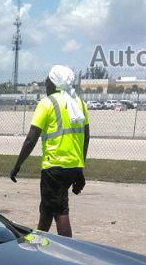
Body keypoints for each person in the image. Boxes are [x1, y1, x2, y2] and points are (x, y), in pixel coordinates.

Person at [9, 65, 90, 237]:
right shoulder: (80, 104)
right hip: (73, 167)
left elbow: (31, 138)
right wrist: (79, 168)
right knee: (47, 207)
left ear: (53, 83)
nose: (45, 83)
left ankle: (70, 251)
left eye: (47, 80)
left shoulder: (47, 104)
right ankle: (38, 242)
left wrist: (17, 165)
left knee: (60, 210)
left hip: (54, 167)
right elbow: (86, 137)